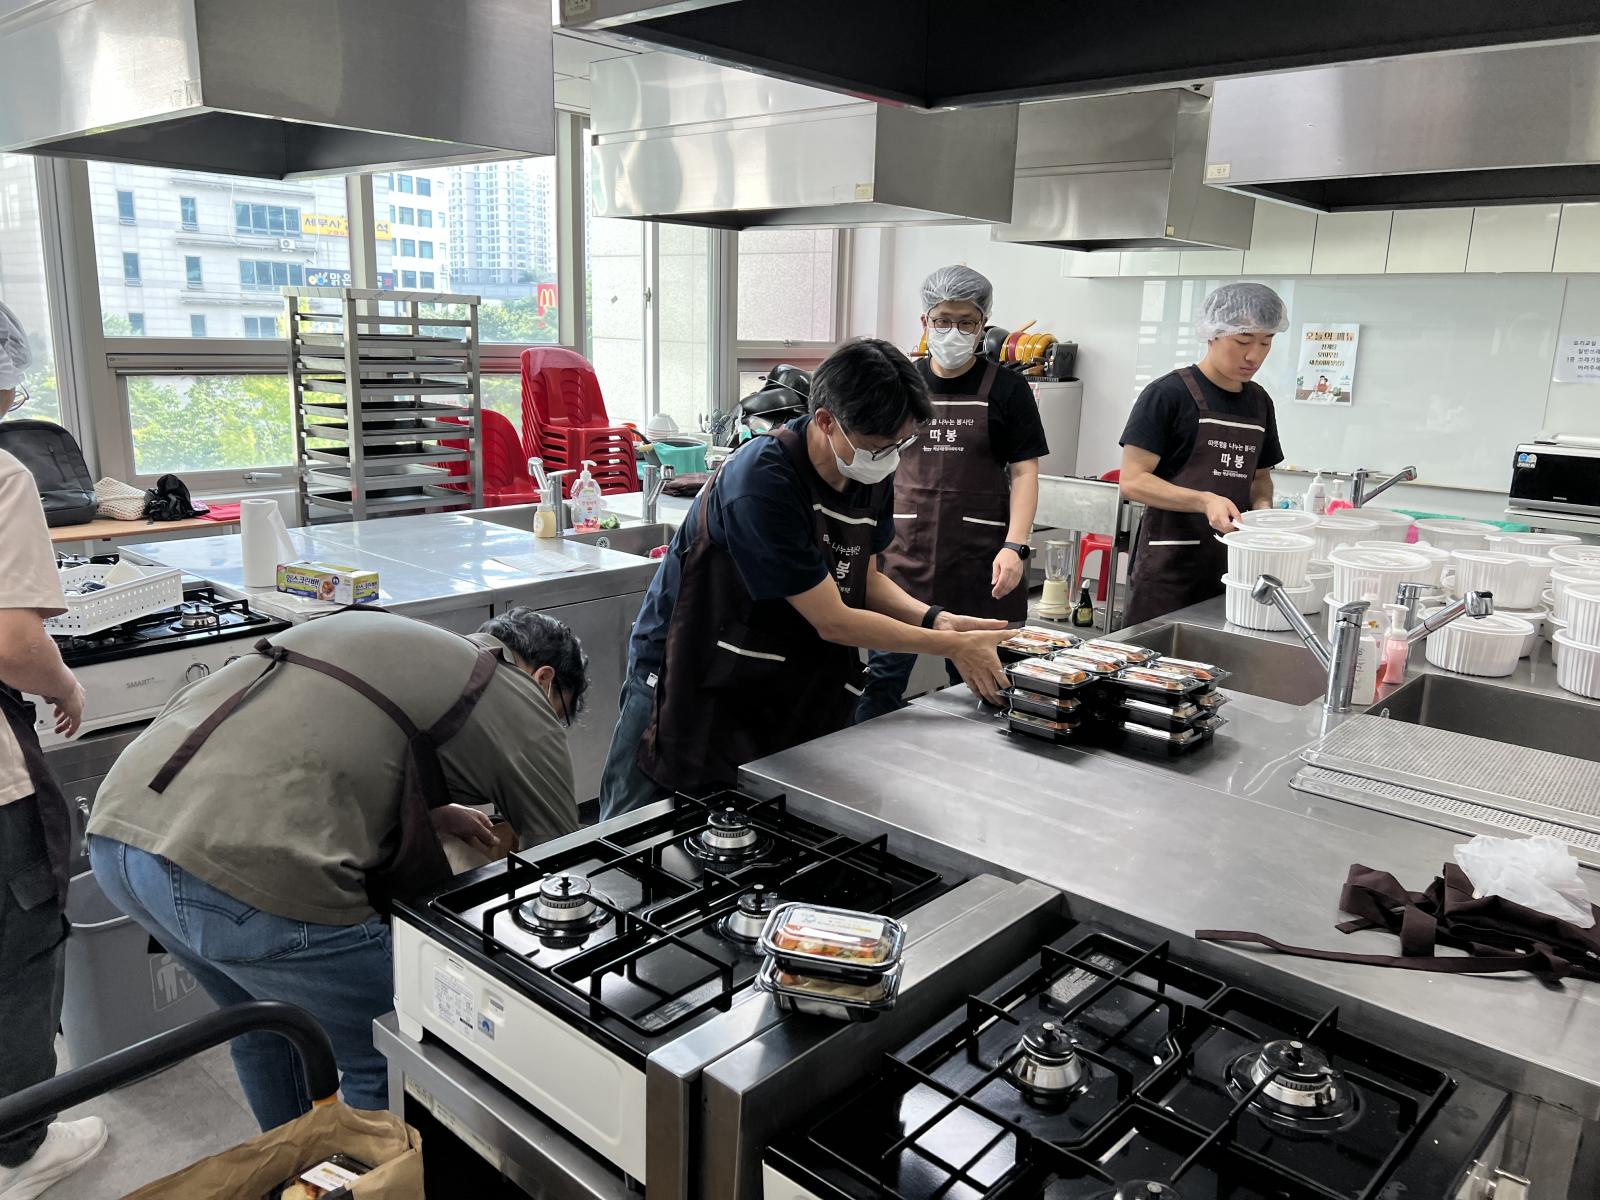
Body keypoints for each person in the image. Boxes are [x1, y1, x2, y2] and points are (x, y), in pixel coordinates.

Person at [86, 606, 585, 1131]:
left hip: (122, 837)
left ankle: (296, 1169)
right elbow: (564, 865)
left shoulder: (410, 647)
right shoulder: (518, 694)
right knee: (387, 1048)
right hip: (244, 873)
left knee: (270, 1032)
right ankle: (378, 1175)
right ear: (543, 678)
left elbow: (316, 748)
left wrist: (434, 812)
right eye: (560, 712)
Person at [598, 338, 1011, 820]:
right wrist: (952, 647)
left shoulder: (867, 470)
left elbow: (864, 580)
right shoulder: (762, 480)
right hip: (690, 669)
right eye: (880, 446)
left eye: (900, 444)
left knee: (752, 826)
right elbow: (833, 619)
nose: (890, 458)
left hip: (779, 675)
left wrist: (935, 619)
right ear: (826, 420)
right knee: (631, 828)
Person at [856, 265, 1048, 722]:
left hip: (980, 563)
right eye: (943, 320)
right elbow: (870, 463)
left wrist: (1015, 546)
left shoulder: (1008, 389)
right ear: (925, 320)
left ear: (983, 325)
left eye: (967, 322)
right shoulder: (900, 385)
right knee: (882, 680)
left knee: (983, 685)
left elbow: (1025, 472)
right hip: (902, 556)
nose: (954, 331)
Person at [0, 439, 108, 1199]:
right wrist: (63, 684)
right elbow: (13, 640)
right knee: (19, 954)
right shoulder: (3, 476)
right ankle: (21, 1148)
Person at [1118, 282, 1289, 627]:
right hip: (1168, 574)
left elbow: (1260, 478)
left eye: (1265, 342)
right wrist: (1204, 500)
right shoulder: (1167, 395)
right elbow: (1132, 481)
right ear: (1212, 334)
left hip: (1233, 570)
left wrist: (1263, 512)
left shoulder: (1259, 403)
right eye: (1243, 341)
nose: (1254, 356)